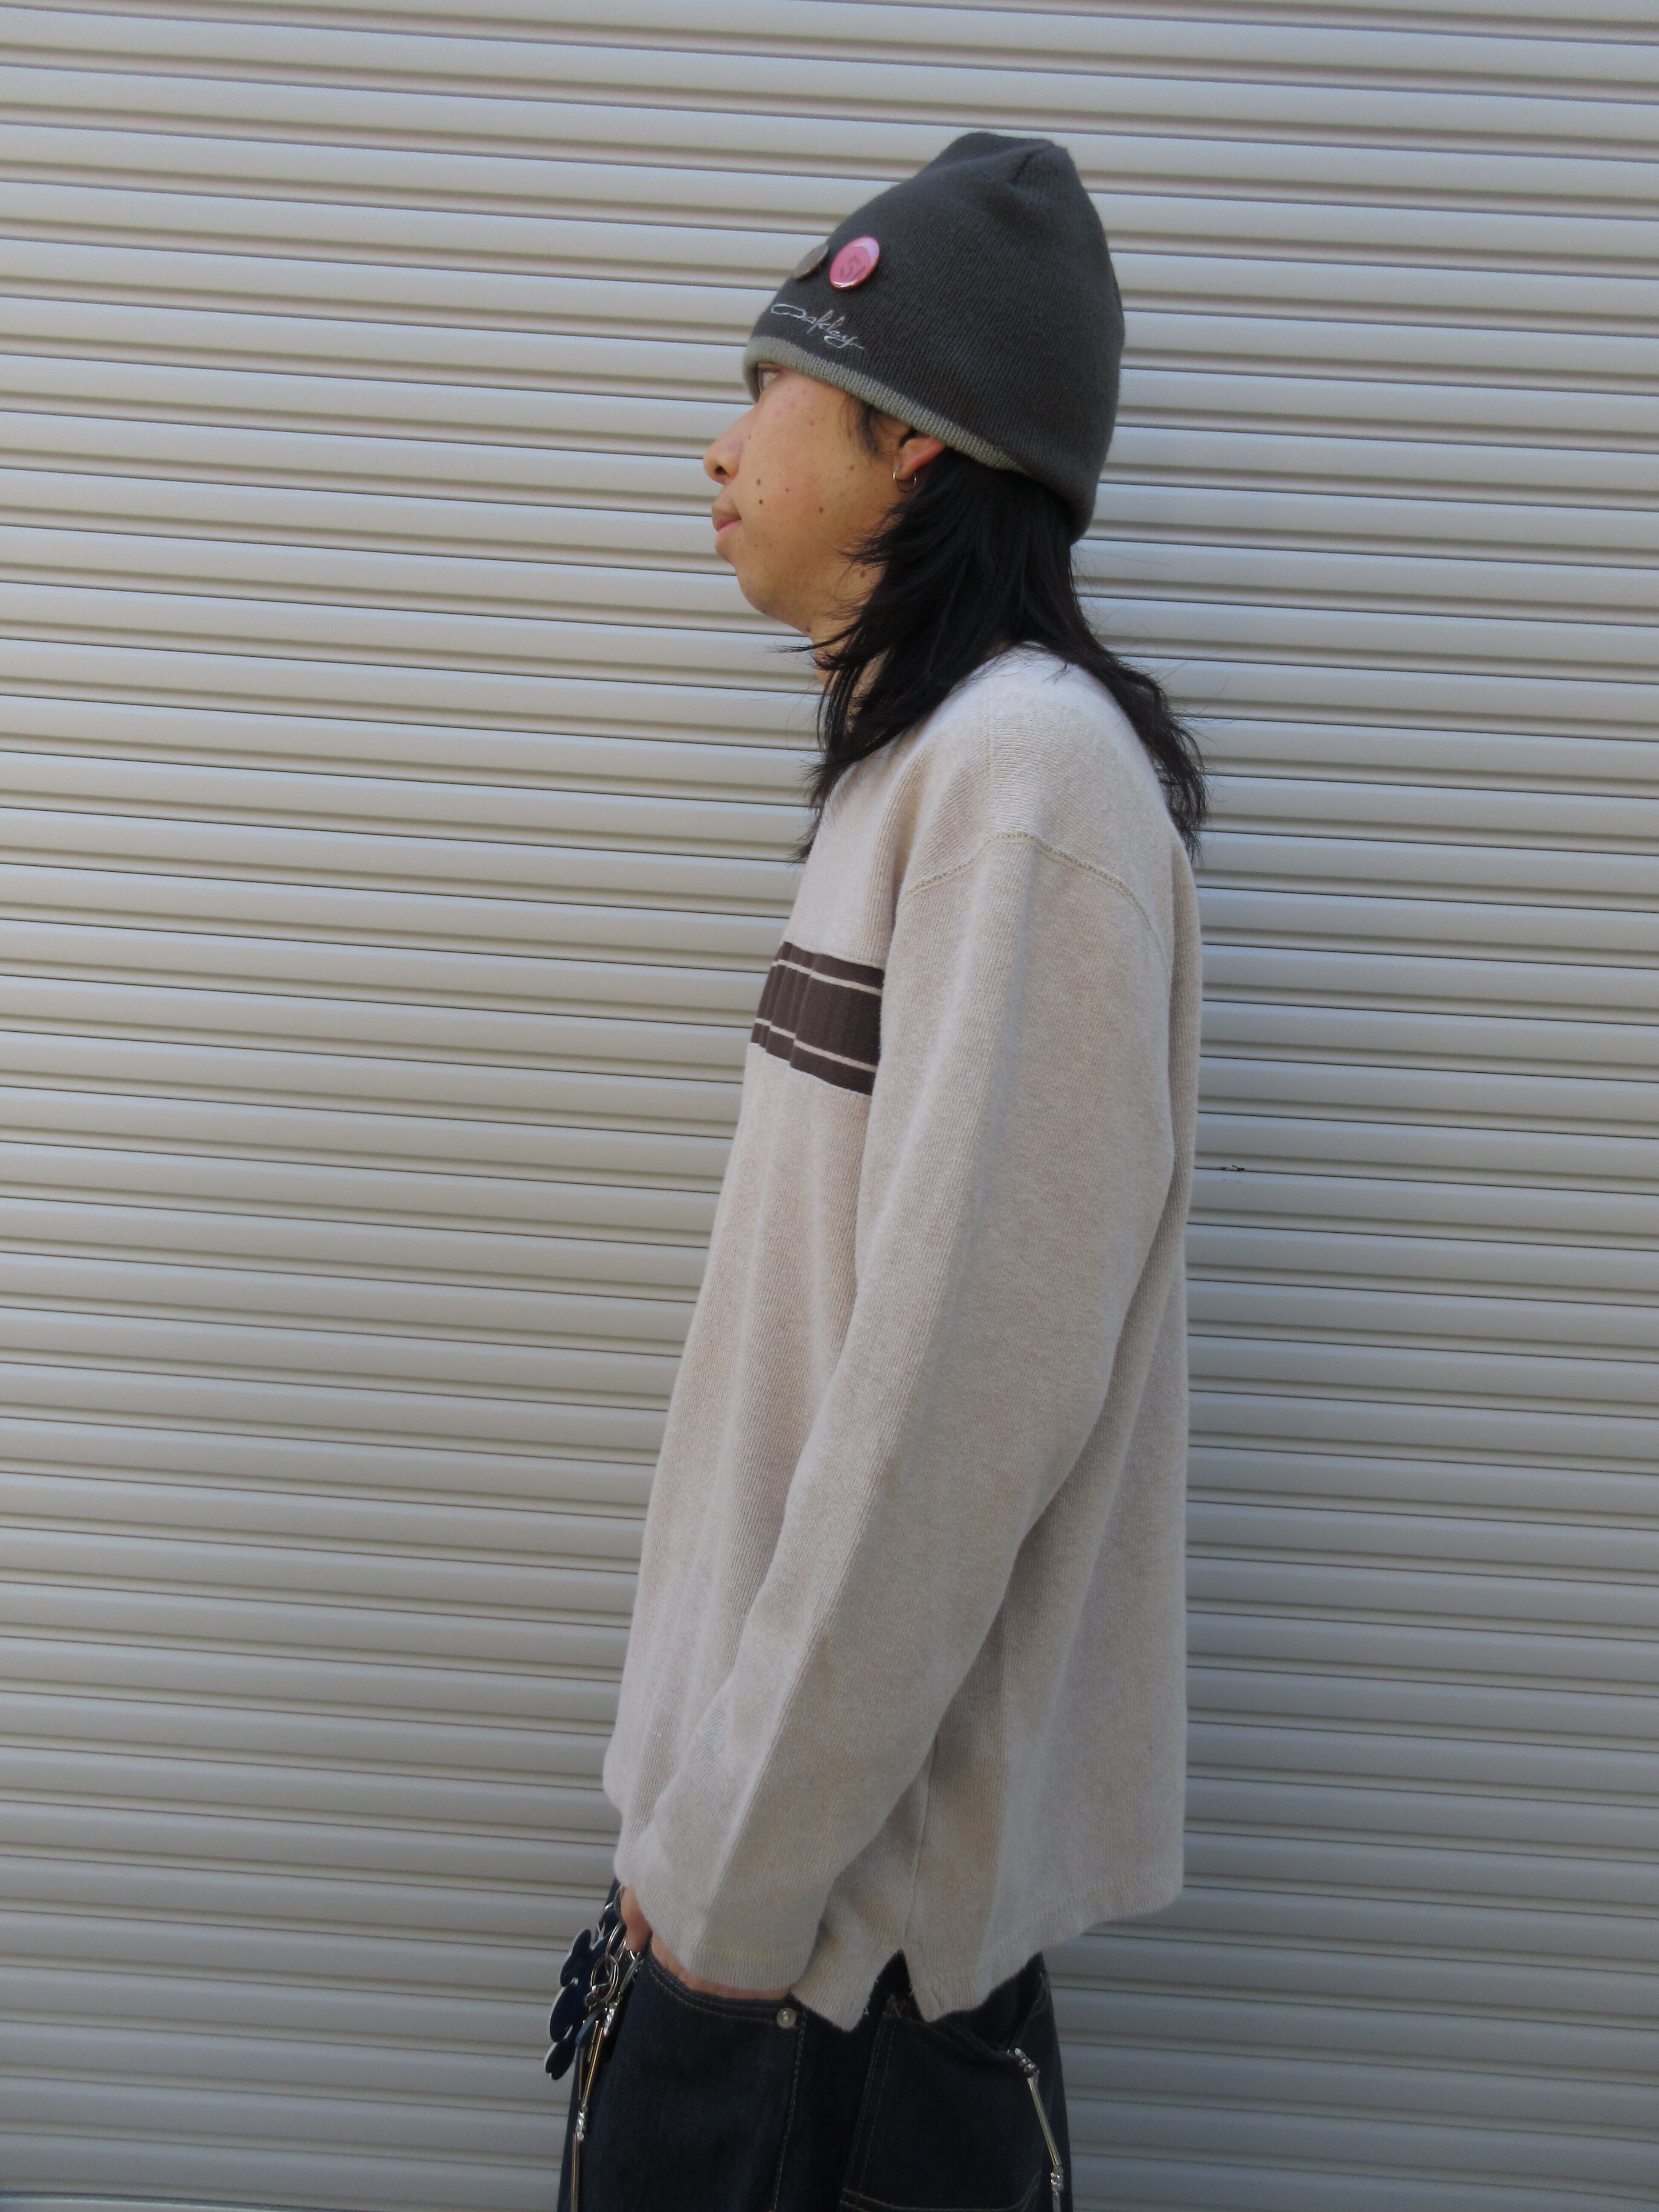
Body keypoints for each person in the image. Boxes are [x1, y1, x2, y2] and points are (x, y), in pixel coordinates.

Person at [556, 130, 1207, 2212]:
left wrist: (723, 1904)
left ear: (914, 440)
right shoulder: (914, 774)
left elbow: (952, 1422)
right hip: (756, 1914)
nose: (721, 443)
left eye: (774, 386)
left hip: (827, 1978)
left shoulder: (1030, 790)